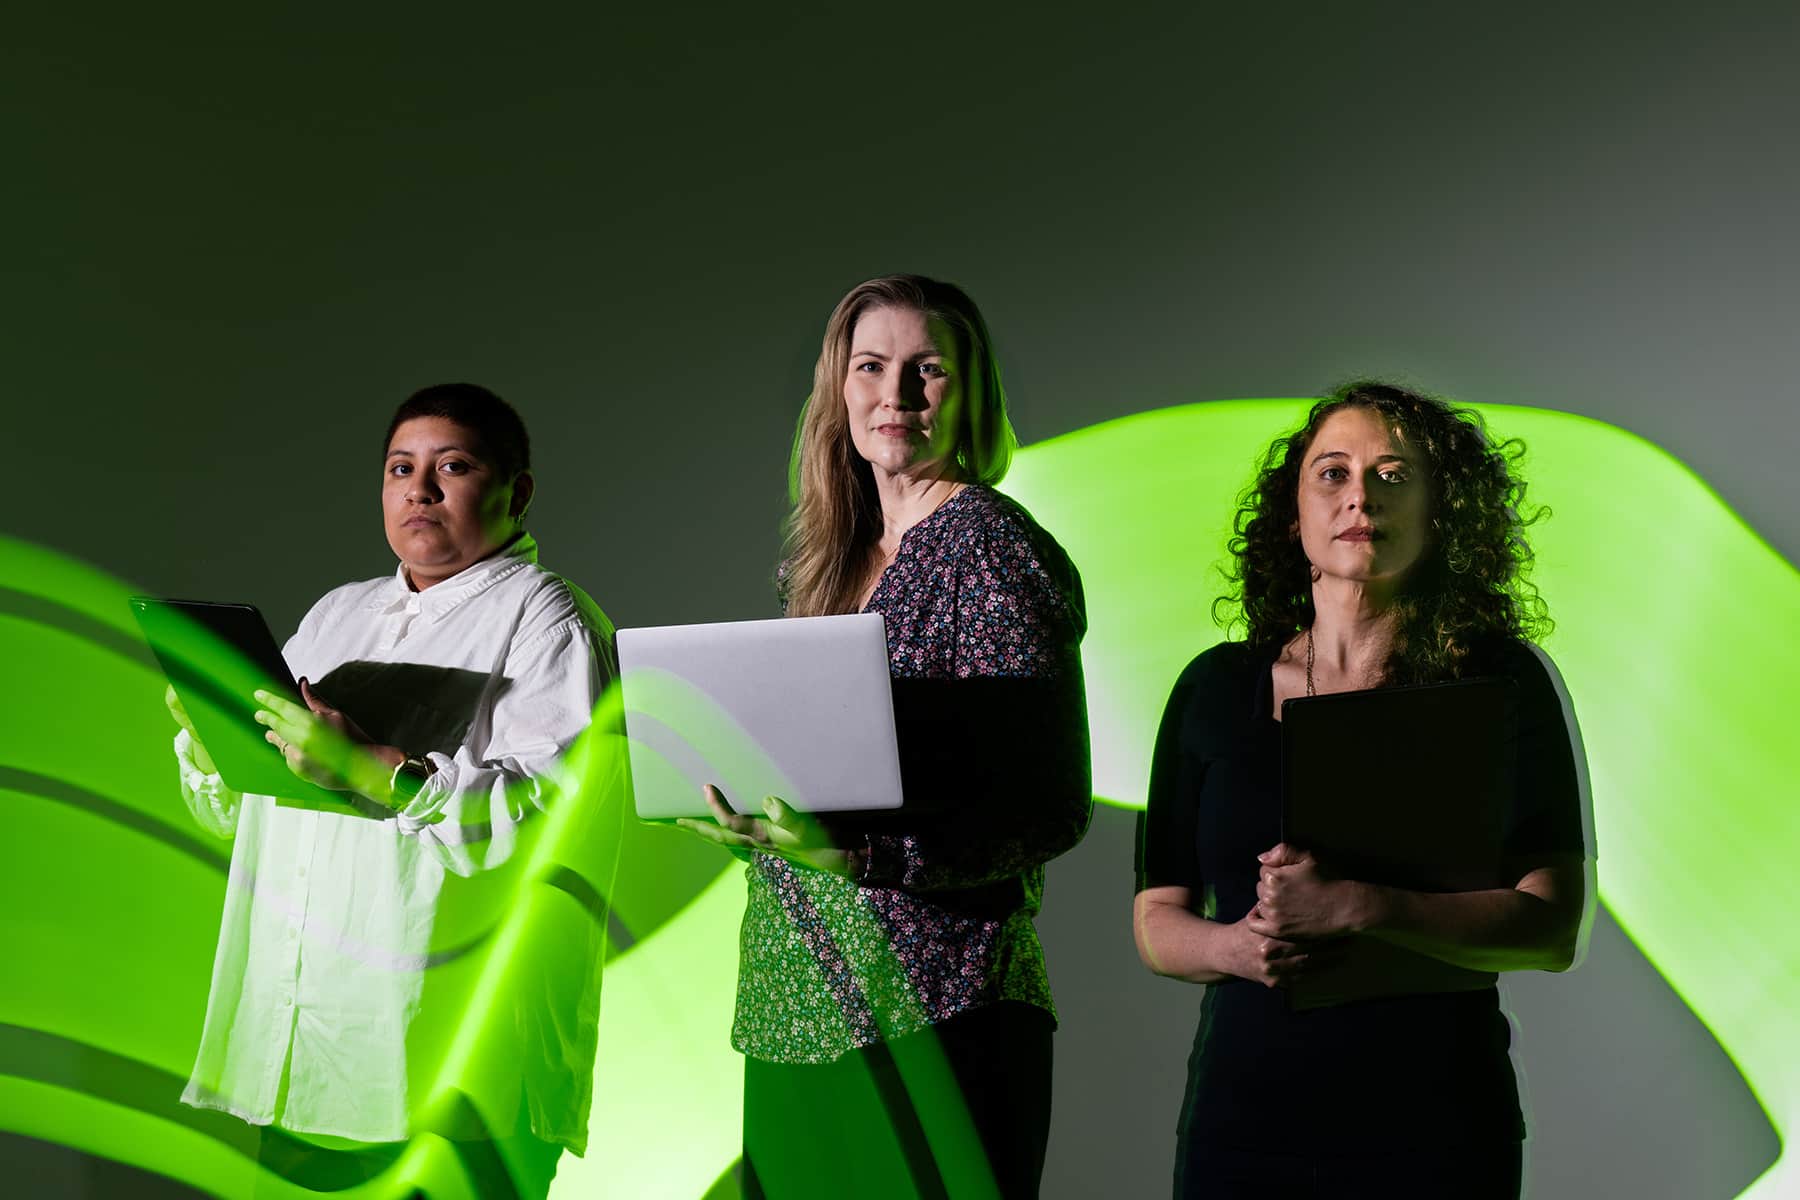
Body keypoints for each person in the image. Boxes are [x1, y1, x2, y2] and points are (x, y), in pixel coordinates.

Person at [677, 275, 1092, 1199]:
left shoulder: (990, 546)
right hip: (796, 1004)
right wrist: (745, 807)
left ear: (969, 394)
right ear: (839, 387)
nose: (895, 395)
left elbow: (1049, 807)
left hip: (937, 1006)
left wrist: (866, 857)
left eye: (927, 369)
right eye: (871, 366)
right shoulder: (823, 559)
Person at [1133, 381, 1592, 1200]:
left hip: (1437, 1126)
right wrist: (1237, 947)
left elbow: (1552, 928)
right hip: (1243, 1124)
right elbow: (1156, 919)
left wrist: (1357, 906)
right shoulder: (1214, 687)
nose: (1360, 498)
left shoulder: (1498, 682)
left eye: (1393, 475)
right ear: (1293, 515)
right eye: (1333, 474)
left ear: (1439, 511)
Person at [164, 382, 615, 1200]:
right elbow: (248, 817)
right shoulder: (339, 614)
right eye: (400, 468)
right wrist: (213, 746)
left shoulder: (549, 619)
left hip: (442, 1053)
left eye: (454, 466)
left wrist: (375, 771)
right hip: (301, 1040)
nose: (420, 488)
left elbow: (555, 816)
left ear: (516, 491)